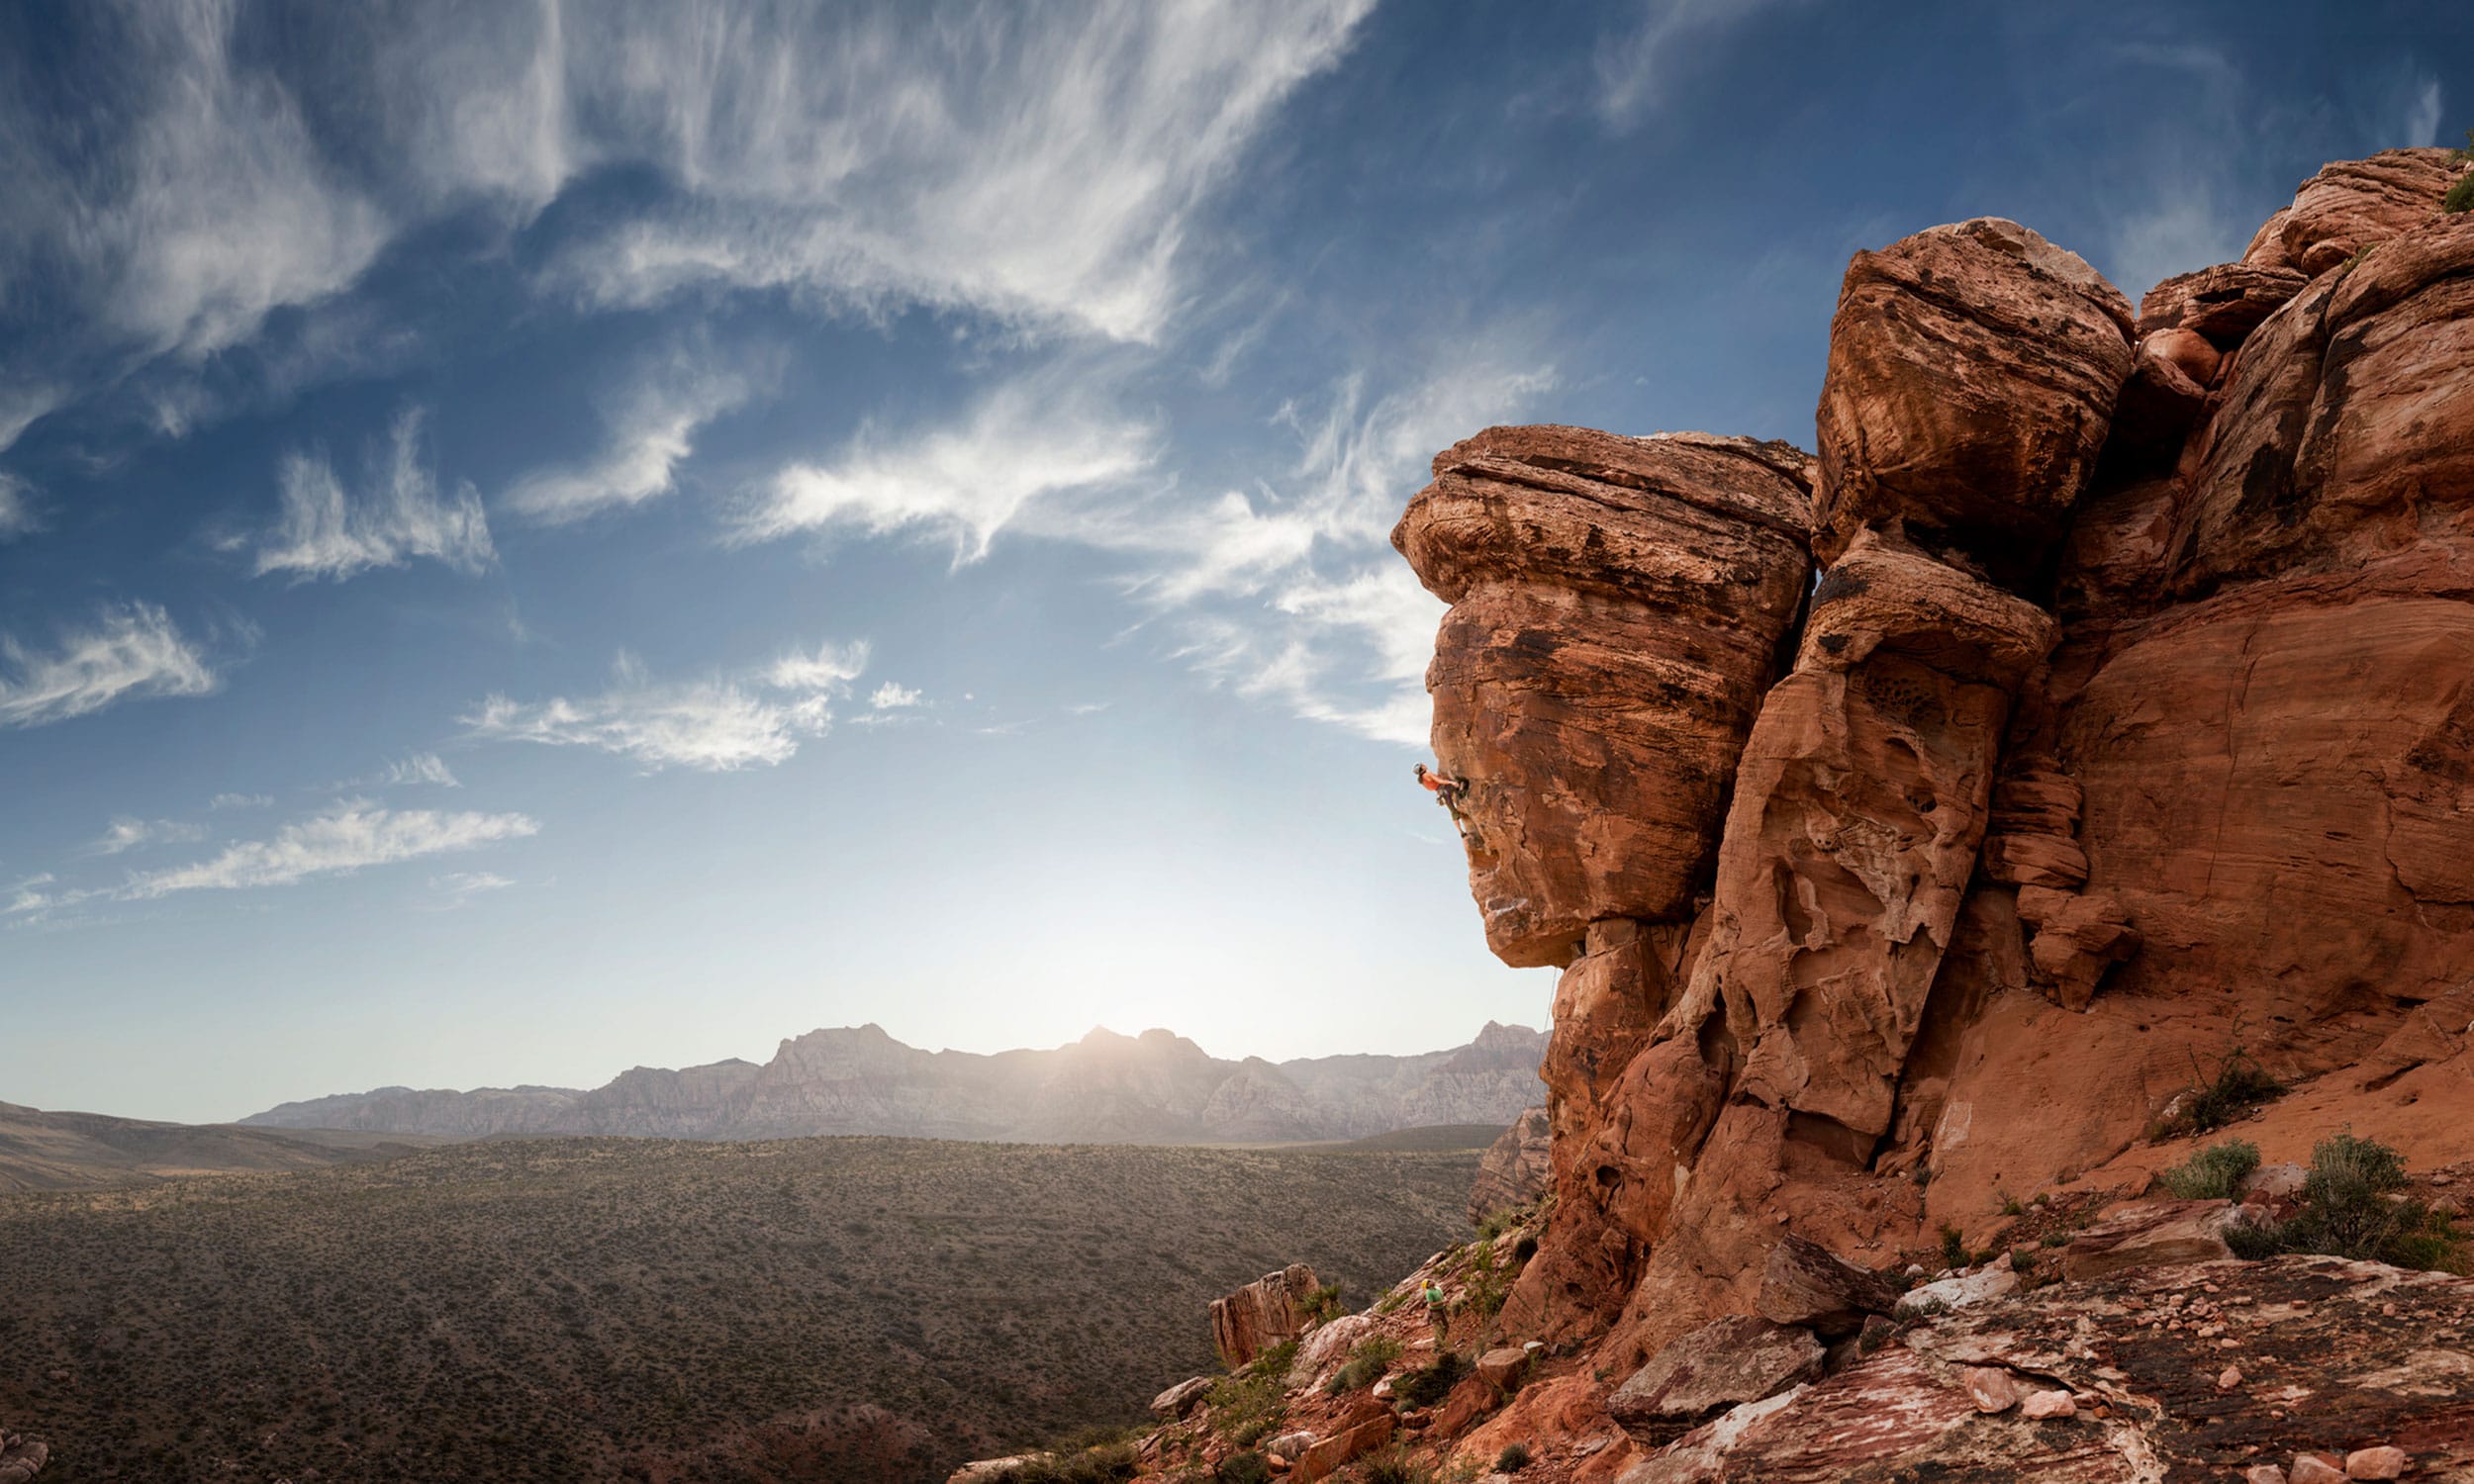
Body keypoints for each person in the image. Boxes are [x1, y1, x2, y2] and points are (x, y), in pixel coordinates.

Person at [1414, 764, 1478, 844]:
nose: (1424, 764)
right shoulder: (1428, 774)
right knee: (1460, 782)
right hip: (1445, 789)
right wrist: (1451, 782)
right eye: (1422, 764)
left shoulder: (1422, 781)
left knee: (1453, 812)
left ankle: (1461, 832)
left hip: (1440, 794)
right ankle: (1463, 795)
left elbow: (1430, 788)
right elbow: (1440, 781)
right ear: (1422, 768)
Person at [1422, 1278, 1449, 1344]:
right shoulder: (1429, 1293)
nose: (1431, 1281)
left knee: (1446, 1325)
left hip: (1442, 1309)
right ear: (1427, 1286)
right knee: (1439, 1328)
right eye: (1429, 1282)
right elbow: (1431, 1304)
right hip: (1435, 1312)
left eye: (1430, 1280)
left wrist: (1444, 1299)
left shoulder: (1438, 1288)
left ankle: (1442, 1340)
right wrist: (1442, 1301)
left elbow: (1442, 1296)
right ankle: (1439, 1343)